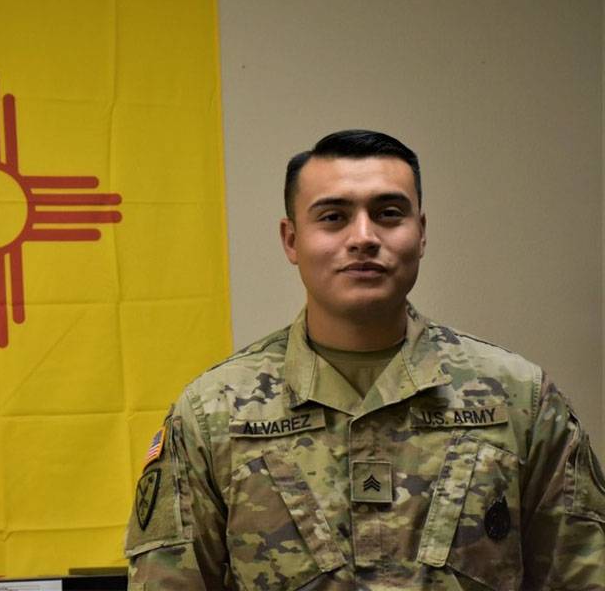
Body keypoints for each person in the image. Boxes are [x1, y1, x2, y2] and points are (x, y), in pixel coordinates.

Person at [124, 129, 605, 590]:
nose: (363, 237)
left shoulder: (518, 398)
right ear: (291, 240)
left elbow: (581, 574)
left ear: (421, 233)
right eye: (333, 217)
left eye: (389, 213)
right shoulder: (216, 412)